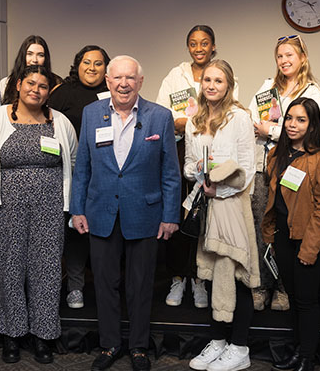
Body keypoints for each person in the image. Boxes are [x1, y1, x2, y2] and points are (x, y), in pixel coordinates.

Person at [70, 55, 181, 371]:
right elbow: (83, 168)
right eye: (117, 78)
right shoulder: (91, 114)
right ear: (107, 81)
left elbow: (170, 172)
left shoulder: (160, 116)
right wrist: (77, 208)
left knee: (140, 284)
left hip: (144, 212)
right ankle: (109, 345)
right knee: (104, 284)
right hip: (101, 211)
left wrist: (170, 215)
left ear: (140, 82)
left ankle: (139, 346)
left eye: (130, 78)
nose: (123, 84)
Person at [0, 65, 78, 364]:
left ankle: (43, 335)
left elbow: (75, 160)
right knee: (11, 268)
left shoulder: (60, 122)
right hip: (6, 207)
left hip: (50, 206)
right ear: (18, 84)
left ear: (48, 91)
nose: (36, 90)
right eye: (31, 83)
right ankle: (13, 334)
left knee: (47, 269)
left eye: (43, 86)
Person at [156, 25, 235, 309]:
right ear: (187, 47)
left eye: (204, 43)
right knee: (179, 214)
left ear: (213, 46)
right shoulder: (174, 76)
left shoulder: (221, 72)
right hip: (179, 153)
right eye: (193, 43)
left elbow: (232, 109)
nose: (199, 48)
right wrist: (183, 124)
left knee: (207, 217)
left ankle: (200, 279)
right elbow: (161, 113)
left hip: (213, 153)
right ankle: (178, 277)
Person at [186, 59, 258, 371]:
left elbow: (248, 167)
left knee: (236, 273)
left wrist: (222, 190)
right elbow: (189, 164)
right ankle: (217, 341)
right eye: (207, 80)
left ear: (228, 85)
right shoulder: (195, 120)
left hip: (231, 204)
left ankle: (239, 347)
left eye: (218, 80)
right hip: (205, 204)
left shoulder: (239, 117)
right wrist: (199, 173)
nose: (212, 85)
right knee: (213, 274)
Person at [261, 97, 320, 371]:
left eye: (301, 120)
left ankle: (307, 357)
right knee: (293, 298)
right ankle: (298, 351)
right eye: (289, 118)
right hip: (283, 235)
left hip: (308, 238)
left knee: (306, 300)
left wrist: (310, 247)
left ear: (312, 124)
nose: (293, 125)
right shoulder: (277, 155)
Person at [248, 35, 320, 311]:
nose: (284, 61)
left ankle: (283, 288)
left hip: (294, 169)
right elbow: (252, 119)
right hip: (262, 167)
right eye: (280, 56)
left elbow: (309, 130)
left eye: (290, 55)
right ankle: (260, 285)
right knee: (260, 229)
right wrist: (267, 128)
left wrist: (272, 130)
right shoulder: (268, 87)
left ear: (303, 57)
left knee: (287, 229)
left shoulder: (312, 91)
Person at [46, 44, 110, 309]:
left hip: (105, 174)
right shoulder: (62, 93)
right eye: (86, 62)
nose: (91, 68)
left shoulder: (113, 94)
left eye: (97, 63)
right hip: (69, 173)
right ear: (77, 64)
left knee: (103, 232)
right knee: (74, 231)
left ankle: (106, 287)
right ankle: (75, 287)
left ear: (106, 68)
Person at [0, 35, 63, 101]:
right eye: (30, 54)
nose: (34, 60)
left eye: (40, 55)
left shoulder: (57, 82)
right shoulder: (6, 83)